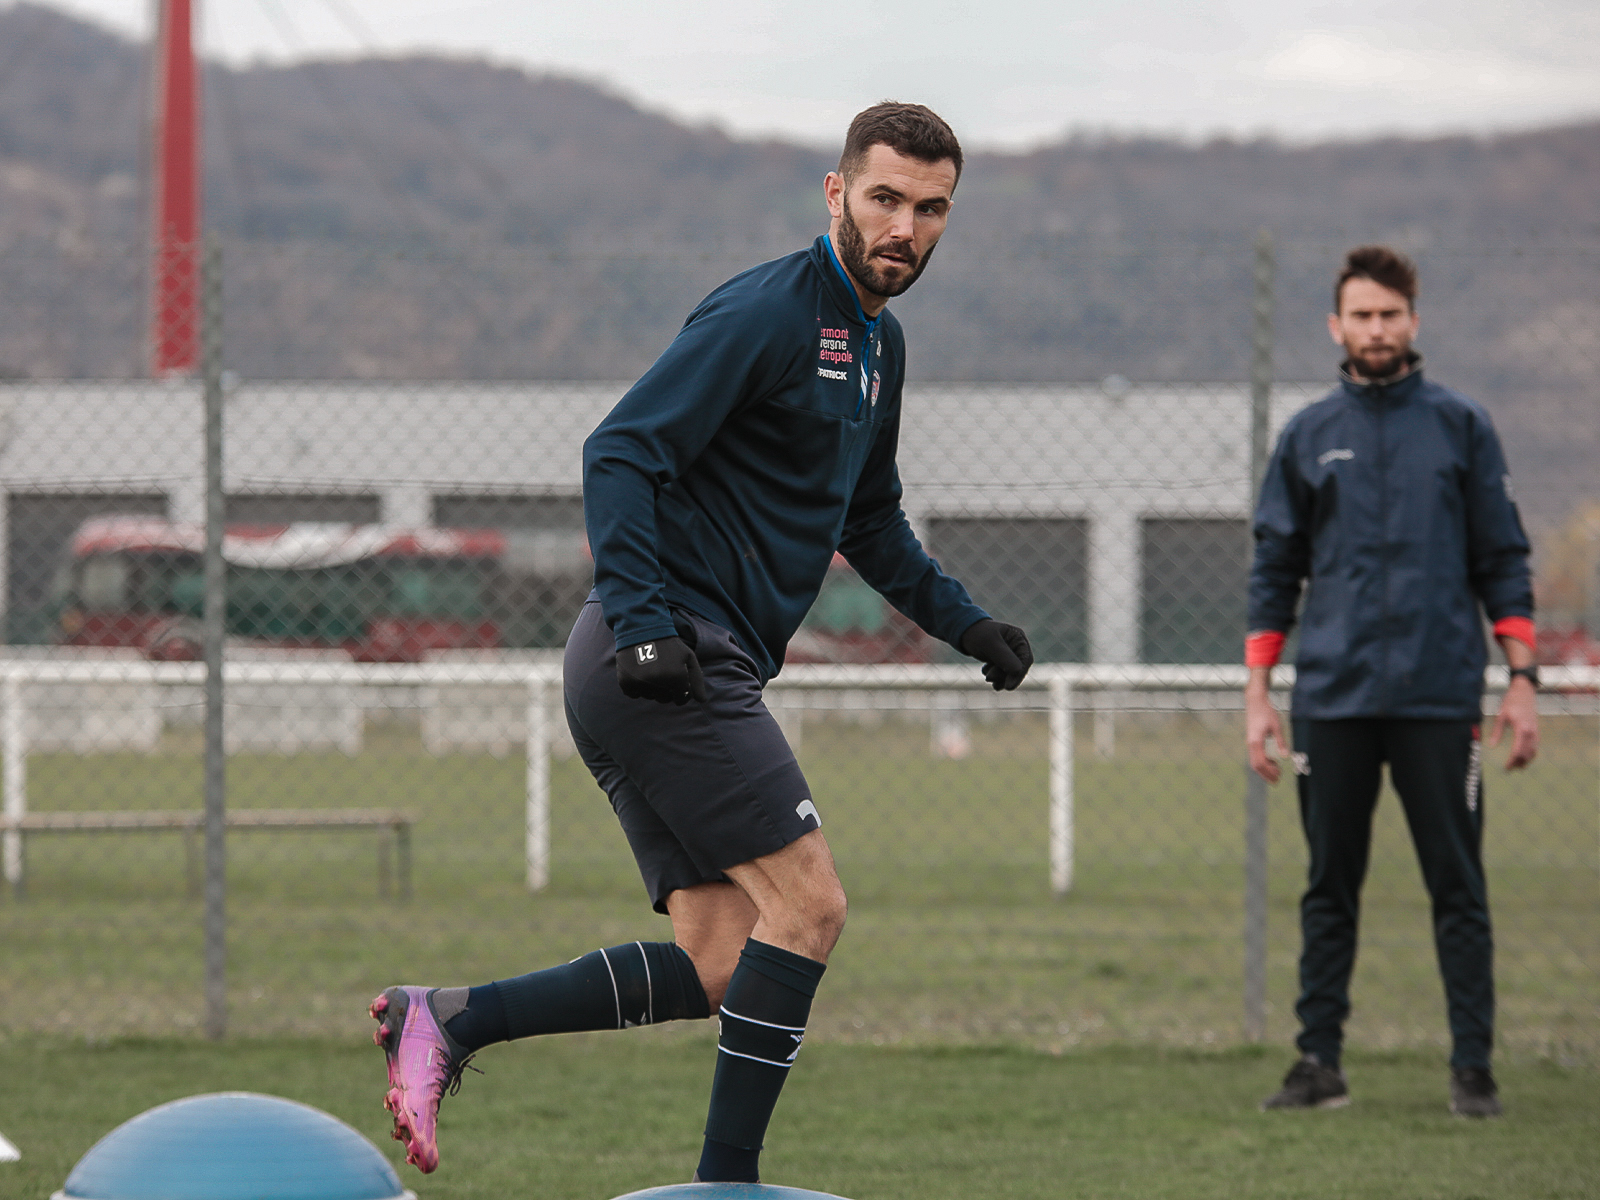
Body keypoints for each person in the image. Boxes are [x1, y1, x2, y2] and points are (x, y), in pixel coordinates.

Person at [369, 101, 1034, 1179]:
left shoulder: (879, 345)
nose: (904, 227)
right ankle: (728, 1186)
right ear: (835, 194)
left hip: (669, 657)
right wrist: (641, 626)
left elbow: (867, 520)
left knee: (726, 958)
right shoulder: (771, 310)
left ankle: (446, 1019)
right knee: (811, 905)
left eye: (929, 209)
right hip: (662, 648)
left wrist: (968, 625)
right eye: (883, 200)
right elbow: (619, 452)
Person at [1245, 245, 1539, 1119]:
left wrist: (1521, 682)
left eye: (1391, 315)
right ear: (1336, 326)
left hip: (1441, 698)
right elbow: (1273, 572)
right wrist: (1259, 696)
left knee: (1458, 886)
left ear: (1414, 321)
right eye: (1361, 316)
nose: (1377, 329)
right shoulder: (1306, 435)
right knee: (1329, 886)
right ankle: (1318, 1062)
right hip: (1331, 698)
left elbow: (1505, 560)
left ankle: (1473, 1069)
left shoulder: (1461, 427)